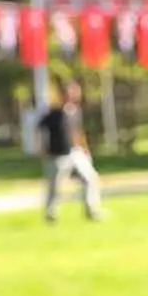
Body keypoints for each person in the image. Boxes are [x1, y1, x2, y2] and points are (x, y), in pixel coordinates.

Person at [38, 81, 104, 224]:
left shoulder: (75, 112)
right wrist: (42, 149)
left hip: (75, 153)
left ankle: (92, 210)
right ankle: (51, 214)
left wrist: (84, 148)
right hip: (57, 155)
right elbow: (40, 130)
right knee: (55, 186)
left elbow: (77, 132)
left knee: (90, 177)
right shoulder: (53, 114)